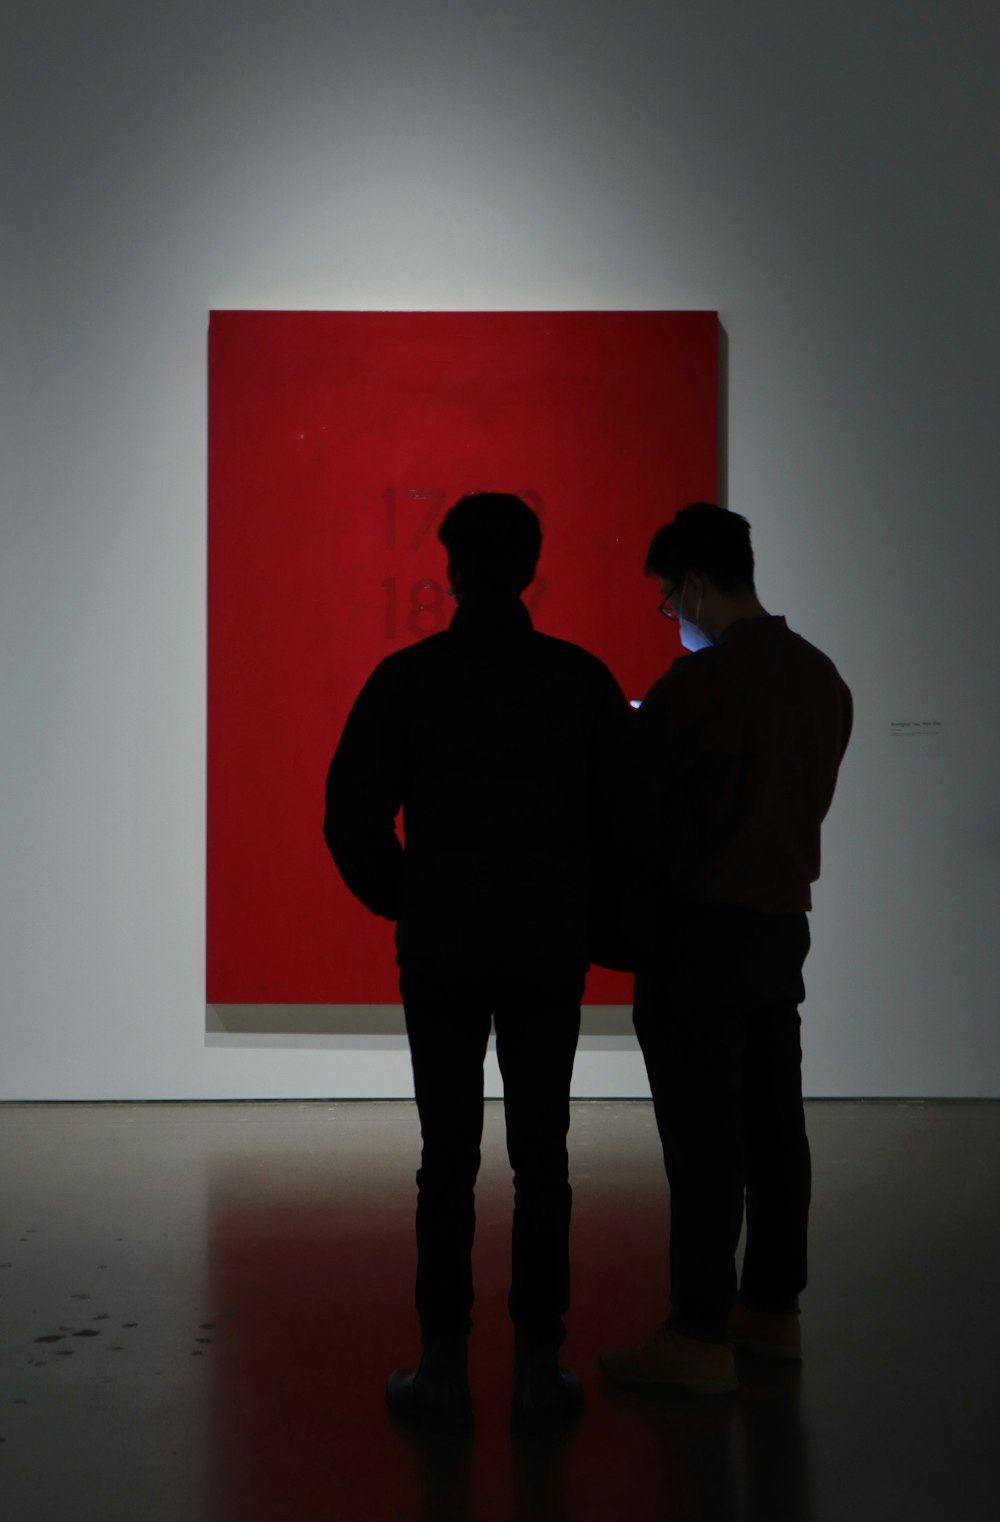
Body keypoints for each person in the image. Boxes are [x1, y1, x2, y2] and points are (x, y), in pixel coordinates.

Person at [324, 492, 629, 1431]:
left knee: (445, 1158)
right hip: (546, 948)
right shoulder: (578, 681)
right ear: (531, 569)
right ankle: (540, 1369)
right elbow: (627, 824)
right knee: (544, 1156)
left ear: (450, 568)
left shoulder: (409, 677)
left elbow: (351, 818)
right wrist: (587, 911)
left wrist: (408, 896)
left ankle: (443, 1369)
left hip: (446, 944)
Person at [599, 501, 853, 1396]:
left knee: (703, 1142)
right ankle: (772, 1309)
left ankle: (697, 1330)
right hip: (782, 928)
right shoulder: (823, 679)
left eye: (669, 600)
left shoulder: (694, 689)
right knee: (775, 1125)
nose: (673, 617)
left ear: (696, 585)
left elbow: (632, 813)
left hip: (697, 934)